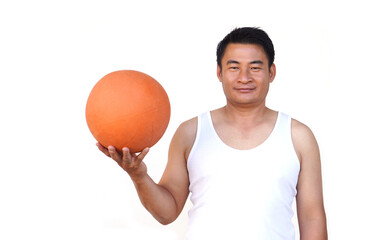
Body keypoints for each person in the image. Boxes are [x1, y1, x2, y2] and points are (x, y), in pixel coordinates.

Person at [97, 27, 328, 239]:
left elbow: (312, 217)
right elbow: (166, 213)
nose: (244, 77)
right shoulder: (191, 133)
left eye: (255, 67)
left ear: (272, 72)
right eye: (234, 67)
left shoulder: (298, 137)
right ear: (219, 72)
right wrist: (138, 175)